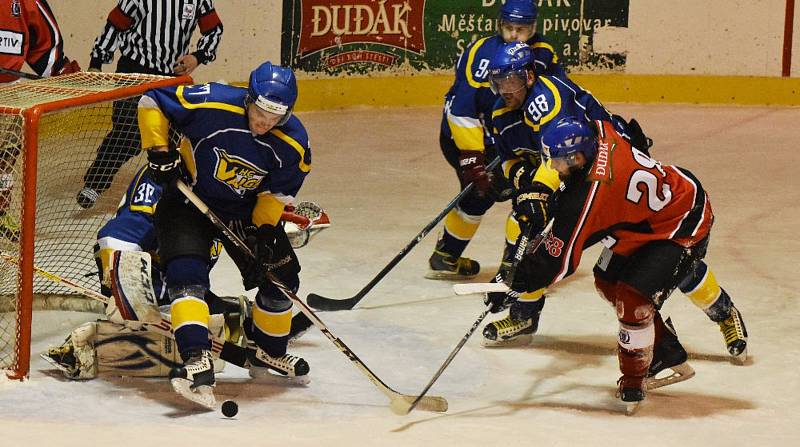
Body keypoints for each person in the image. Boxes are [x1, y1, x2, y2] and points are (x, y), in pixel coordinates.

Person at [482, 43, 748, 364]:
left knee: (654, 251)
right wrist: (522, 181)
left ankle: (722, 312)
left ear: (527, 76)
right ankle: (525, 311)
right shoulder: (502, 114)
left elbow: (563, 148)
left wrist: (536, 190)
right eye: (497, 83)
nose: (503, 90)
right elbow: (517, 161)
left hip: (609, 177)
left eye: (510, 82)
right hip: (572, 174)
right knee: (545, 241)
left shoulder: (545, 101)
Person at [485, 116, 743, 409]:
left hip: (682, 222)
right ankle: (664, 351)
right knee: (607, 282)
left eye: (558, 162)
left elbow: (557, 262)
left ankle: (635, 377)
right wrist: (542, 191)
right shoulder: (599, 131)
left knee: (634, 297)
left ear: (579, 157)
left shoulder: (591, 198)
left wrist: (513, 284)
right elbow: (610, 126)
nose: (553, 167)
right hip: (646, 216)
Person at [138, 61, 311, 401]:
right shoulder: (212, 102)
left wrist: (264, 232)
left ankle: (270, 350)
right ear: (249, 98)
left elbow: (276, 194)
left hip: (243, 212)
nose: (264, 122)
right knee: (186, 275)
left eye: (275, 117)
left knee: (281, 281)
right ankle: (197, 358)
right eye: (260, 111)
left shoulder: (293, 144)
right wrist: (159, 151)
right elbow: (152, 99)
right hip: (189, 199)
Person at [426, 0, 564, 280]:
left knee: (508, 193)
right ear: (499, 24)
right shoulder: (479, 52)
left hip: (509, 138)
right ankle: (514, 266)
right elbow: (460, 107)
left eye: (521, 29)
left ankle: (450, 254)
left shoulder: (544, 53)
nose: (514, 34)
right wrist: (472, 157)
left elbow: (557, 95)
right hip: (466, 138)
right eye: (509, 27)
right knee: (502, 190)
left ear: (533, 28)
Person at [76, 0, 223, 209]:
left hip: (172, 77)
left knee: (170, 139)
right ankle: (95, 183)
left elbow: (214, 30)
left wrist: (197, 57)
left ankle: (166, 189)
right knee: (128, 134)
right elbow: (115, 24)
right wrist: (96, 62)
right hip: (134, 72)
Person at [0, 0, 80, 239]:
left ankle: (1, 211)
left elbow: (45, 41)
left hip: (11, 93)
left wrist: (60, 71)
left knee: (6, 157)